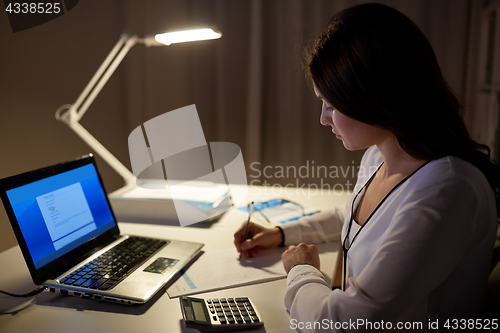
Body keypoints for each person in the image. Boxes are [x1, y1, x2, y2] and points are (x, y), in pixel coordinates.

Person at [234, 3, 500, 331]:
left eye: (331, 105)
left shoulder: (448, 191)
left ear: (375, 96)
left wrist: (302, 271)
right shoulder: (380, 155)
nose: (323, 118)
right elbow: (354, 216)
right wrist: (282, 234)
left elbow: (346, 323)